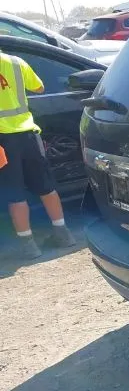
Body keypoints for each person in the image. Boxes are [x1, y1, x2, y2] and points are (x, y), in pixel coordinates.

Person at [0, 49, 76, 259]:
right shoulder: (16, 61)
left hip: (2, 140)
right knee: (46, 186)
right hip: (28, 134)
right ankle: (63, 234)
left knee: (14, 193)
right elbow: (39, 87)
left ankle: (28, 246)